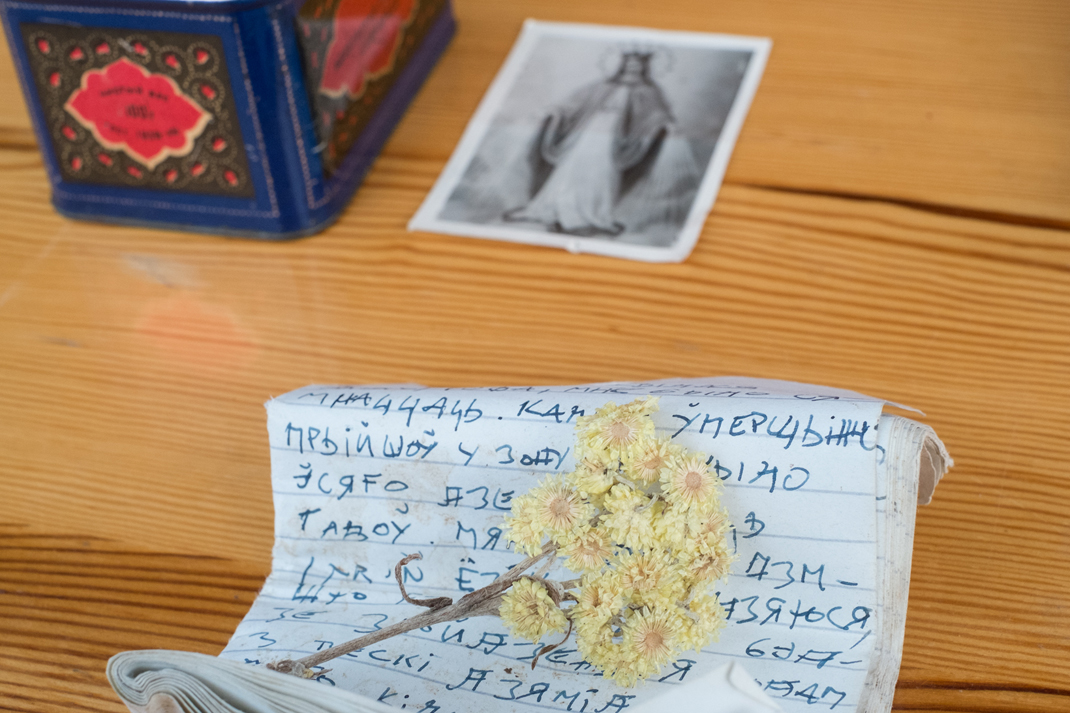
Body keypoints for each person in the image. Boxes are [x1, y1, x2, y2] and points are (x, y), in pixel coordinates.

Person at [503, 51, 676, 237]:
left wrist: (664, 122)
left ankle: (591, 213)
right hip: (588, 133)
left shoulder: (649, 91)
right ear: (623, 64)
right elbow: (575, 103)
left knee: (601, 172)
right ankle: (555, 206)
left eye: (637, 63)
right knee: (572, 168)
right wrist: (556, 111)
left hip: (613, 141)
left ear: (644, 66)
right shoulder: (604, 85)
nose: (632, 67)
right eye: (629, 62)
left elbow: (656, 114)